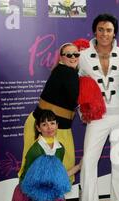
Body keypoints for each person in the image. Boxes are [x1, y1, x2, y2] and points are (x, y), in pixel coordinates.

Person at [76, 13, 119, 201]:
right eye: (101, 29)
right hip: (97, 117)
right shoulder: (82, 56)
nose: (105, 34)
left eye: (108, 30)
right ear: (94, 32)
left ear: (114, 32)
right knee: (89, 161)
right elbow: (76, 83)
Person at [19, 42, 80, 183]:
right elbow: (75, 98)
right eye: (69, 54)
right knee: (57, 170)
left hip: (45, 125)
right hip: (49, 128)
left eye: (76, 54)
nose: (73, 57)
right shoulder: (67, 72)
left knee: (34, 169)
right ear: (61, 58)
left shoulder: (62, 71)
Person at [12, 110, 80, 201]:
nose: (49, 127)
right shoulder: (36, 149)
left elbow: (58, 175)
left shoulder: (60, 148)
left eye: (52, 123)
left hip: (48, 193)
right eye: (44, 124)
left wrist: (80, 166)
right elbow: (29, 182)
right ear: (38, 128)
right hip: (30, 195)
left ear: (57, 125)